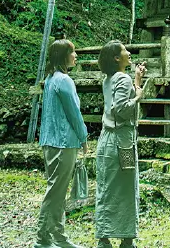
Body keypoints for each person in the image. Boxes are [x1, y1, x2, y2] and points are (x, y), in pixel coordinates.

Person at [35, 39, 88, 248]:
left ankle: (57, 236)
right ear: (63, 56)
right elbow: (73, 113)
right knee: (56, 191)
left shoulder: (50, 79)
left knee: (57, 189)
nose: (75, 56)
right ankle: (42, 238)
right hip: (63, 142)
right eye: (72, 52)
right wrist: (83, 137)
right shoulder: (64, 80)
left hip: (50, 141)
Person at [95, 41, 146, 248]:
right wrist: (138, 97)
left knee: (106, 187)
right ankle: (126, 238)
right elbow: (121, 109)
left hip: (107, 139)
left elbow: (117, 99)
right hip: (122, 141)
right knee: (126, 187)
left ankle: (104, 236)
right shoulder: (122, 78)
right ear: (117, 57)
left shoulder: (109, 79)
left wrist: (137, 80)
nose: (129, 52)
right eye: (125, 50)